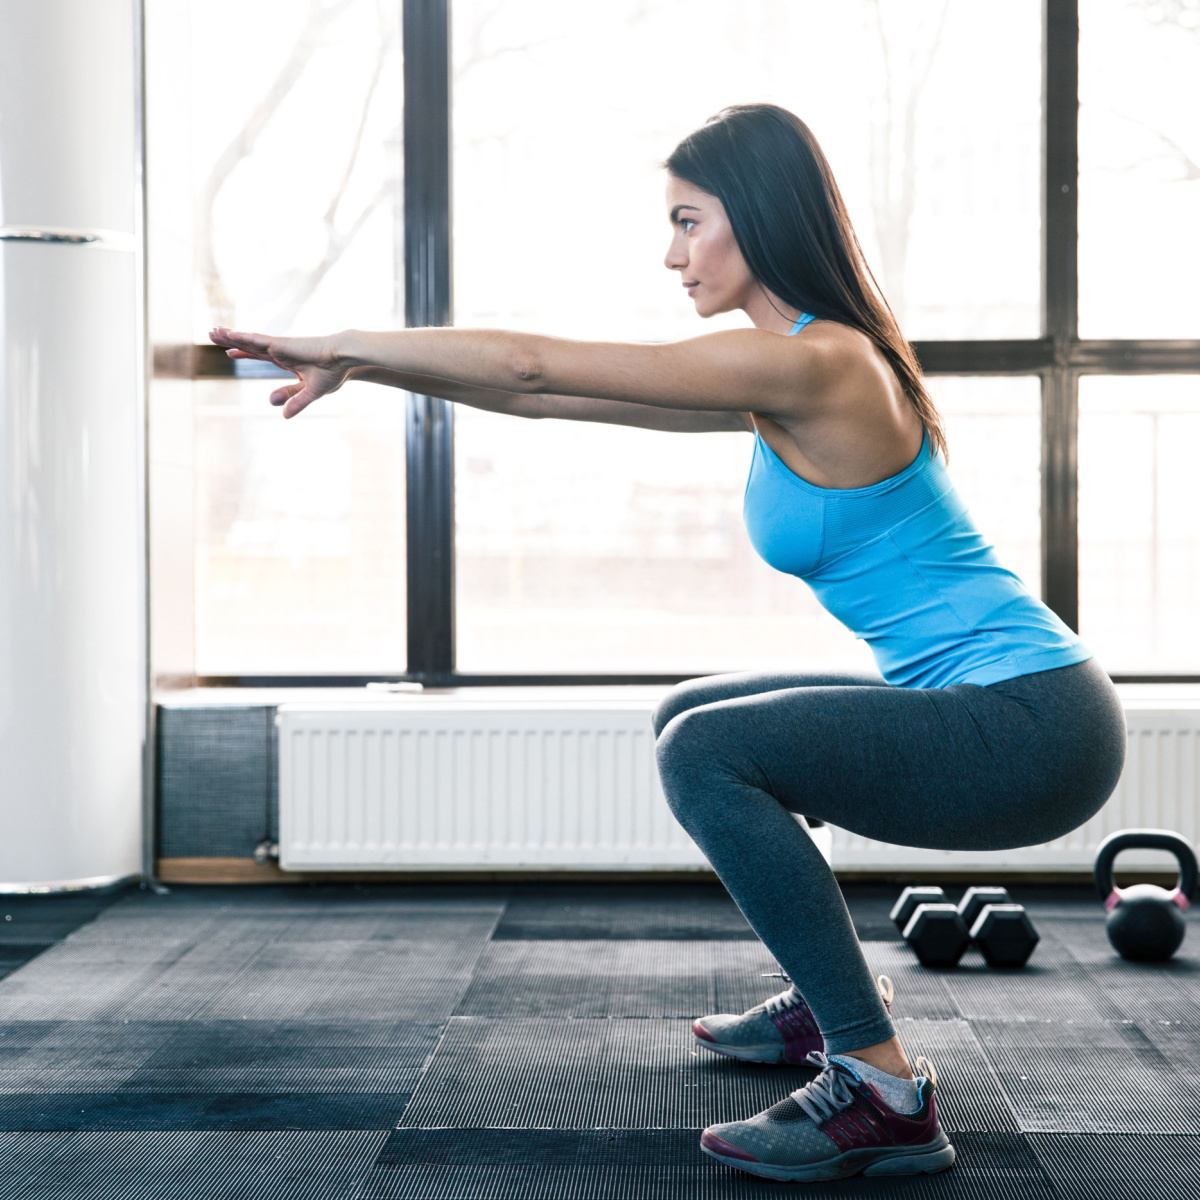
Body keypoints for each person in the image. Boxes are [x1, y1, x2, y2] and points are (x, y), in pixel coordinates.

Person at [210, 103, 1127, 1184]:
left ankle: (881, 1089)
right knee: (690, 717)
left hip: (1031, 728)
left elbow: (535, 362)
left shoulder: (817, 366)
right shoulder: (783, 368)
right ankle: (827, 996)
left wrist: (340, 339)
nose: (671, 252)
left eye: (690, 221)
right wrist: (372, 373)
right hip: (1017, 708)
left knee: (708, 755)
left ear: (763, 218)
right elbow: (547, 398)